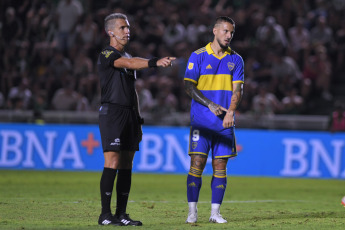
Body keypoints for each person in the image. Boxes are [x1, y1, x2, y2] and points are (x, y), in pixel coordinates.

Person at [97, 13, 175, 226]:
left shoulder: (129, 56)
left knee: (126, 163)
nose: (127, 31)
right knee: (112, 161)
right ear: (110, 31)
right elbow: (129, 63)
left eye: (128, 27)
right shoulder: (107, 53)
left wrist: (138, 118)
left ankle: (121, 214)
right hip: (112, 113)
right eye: (122, 27)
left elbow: (133, 91)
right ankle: (105, 215)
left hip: (130, 114)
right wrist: (154, 62)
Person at [184, 16, 244, 224]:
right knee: (197, 163)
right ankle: (192, 212)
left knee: (220, 166)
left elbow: (238, 89)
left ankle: (215, 213)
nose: (229, 36)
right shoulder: (198, 56)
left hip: (224, 124)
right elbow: (189, 86)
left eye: (232, 32)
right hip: (201, 122)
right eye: (226, 31)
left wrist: (230, 113)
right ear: (215, 31)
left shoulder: (235, 59)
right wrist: (209, 104)